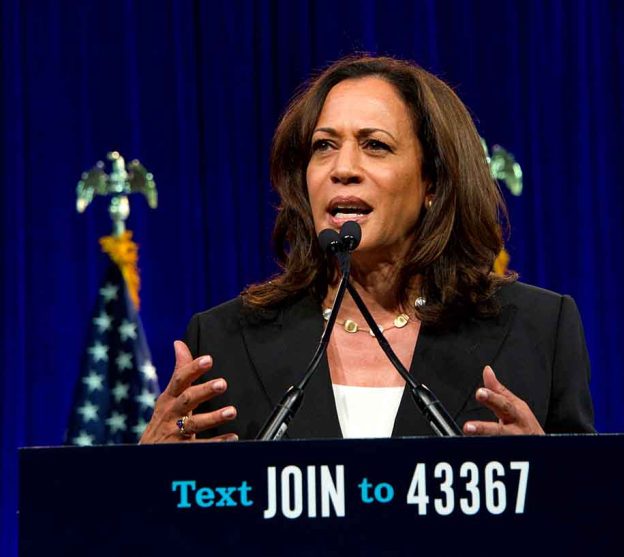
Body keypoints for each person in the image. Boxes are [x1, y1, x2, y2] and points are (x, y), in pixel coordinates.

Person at [140, 55, 594, 444]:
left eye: (375, 145)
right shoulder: (224, 341)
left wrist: (550, 477)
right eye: (324, 146)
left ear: (432, 181)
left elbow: (598, 520)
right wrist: (146, 473)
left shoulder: (536, 330)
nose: (342, 168)